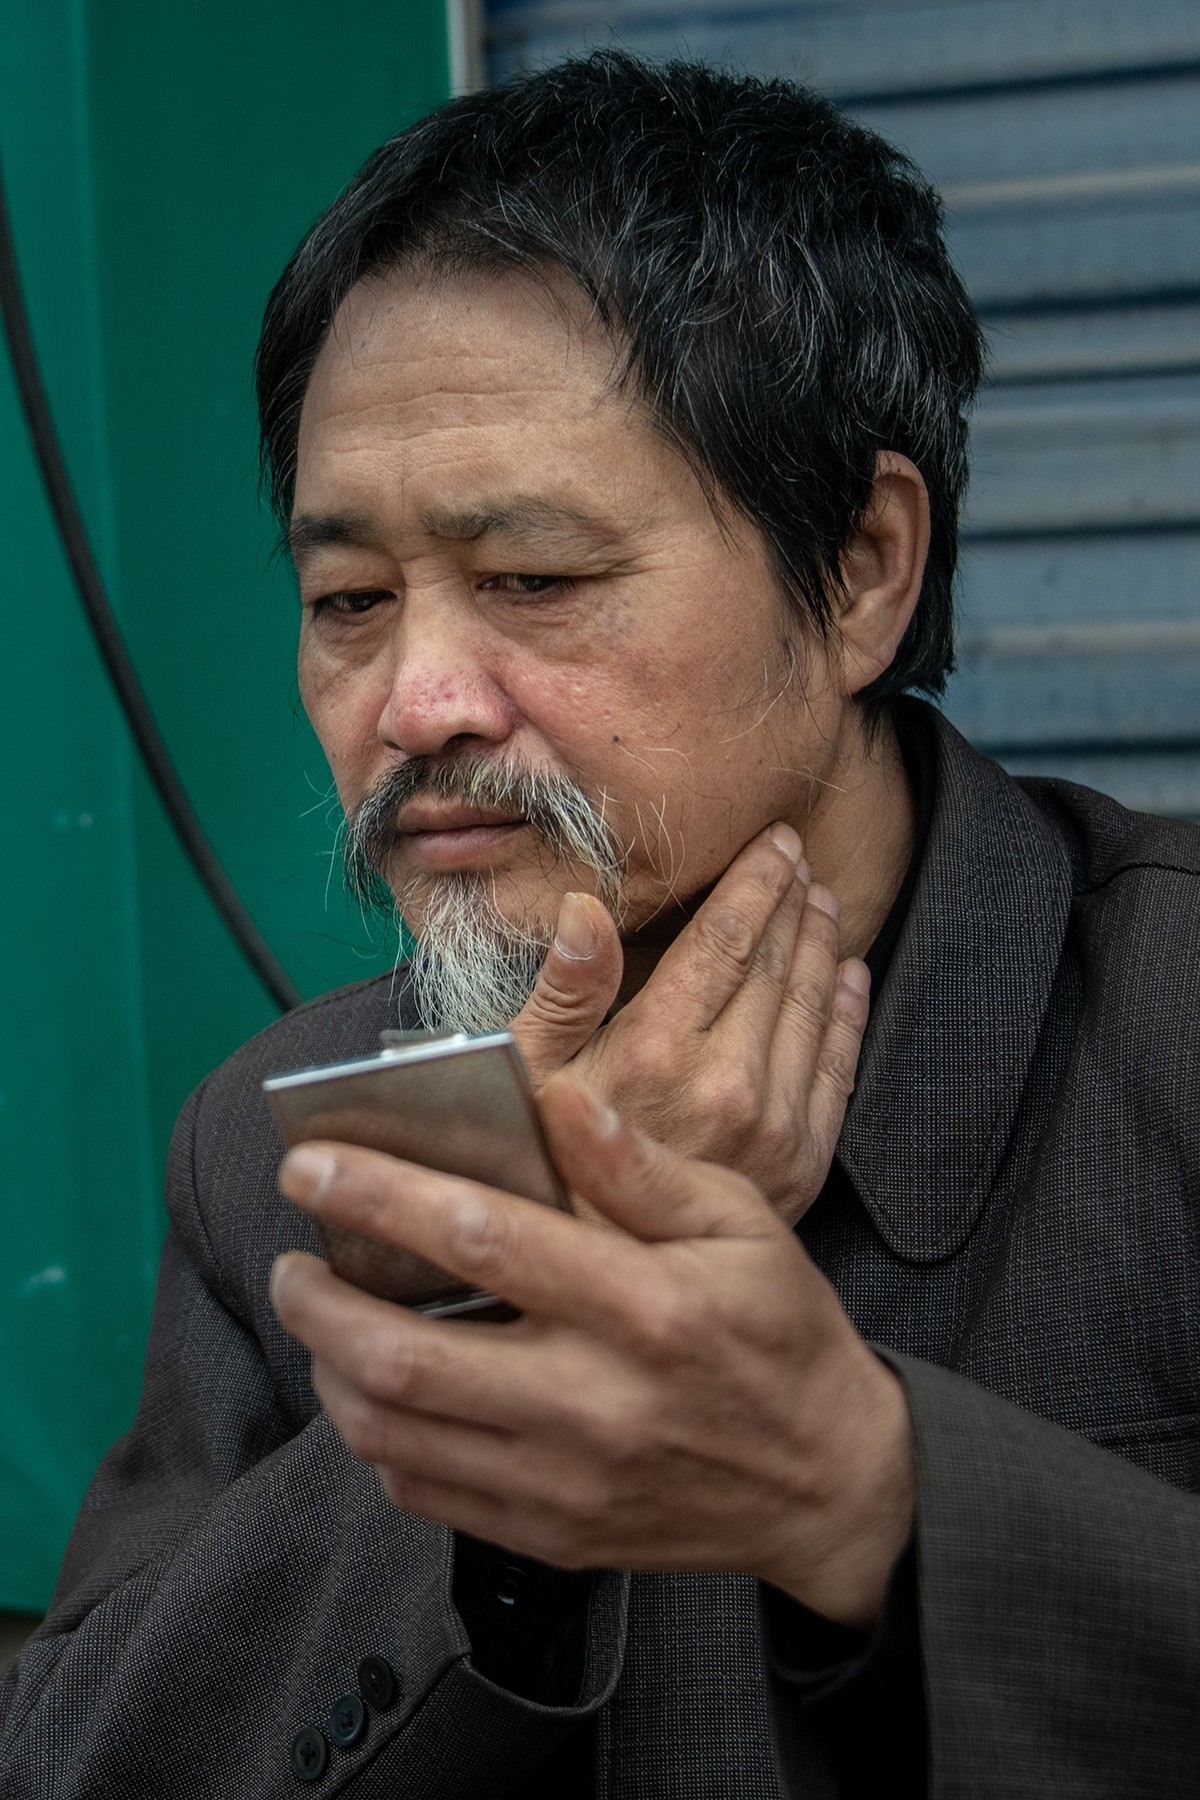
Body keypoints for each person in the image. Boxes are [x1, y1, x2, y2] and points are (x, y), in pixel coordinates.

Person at [5, 50, 1200, 1800]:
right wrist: (499, 1295)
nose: (413, 701)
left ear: (864, 567)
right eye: (346, 601)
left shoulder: (1169, 1022)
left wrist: (877, 1497)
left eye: (534, 581)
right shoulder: (287, 1147)